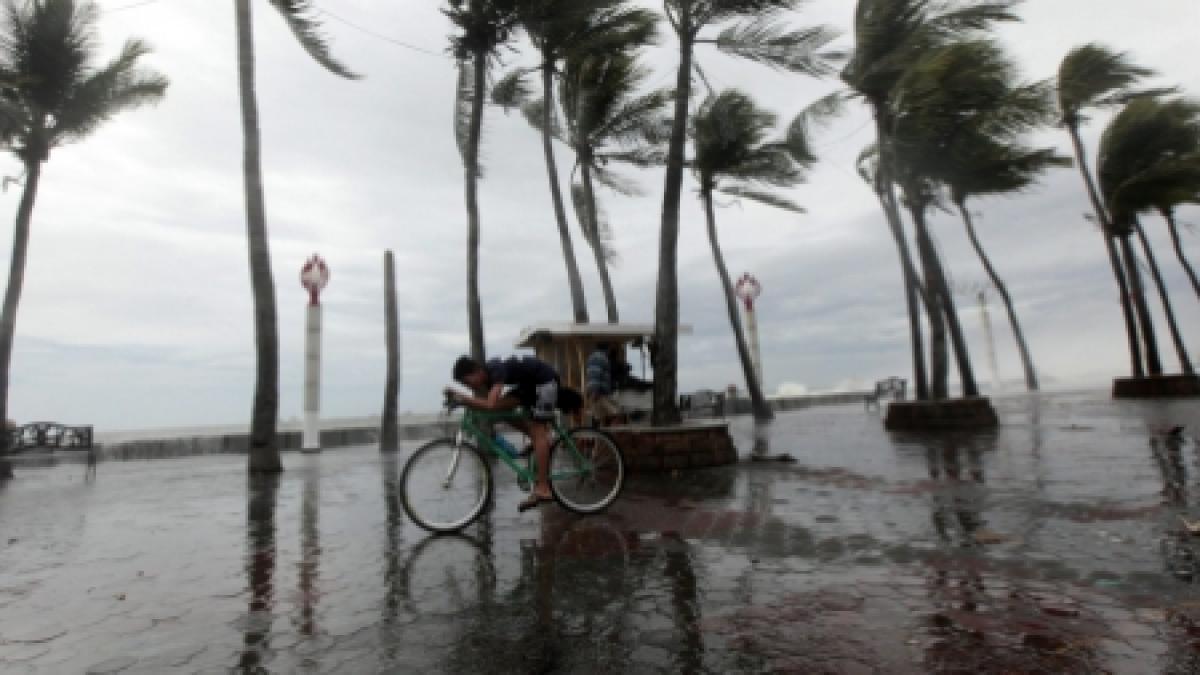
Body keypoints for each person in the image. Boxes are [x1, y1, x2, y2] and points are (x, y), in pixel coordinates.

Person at [446, 354, 559, 512]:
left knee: (538, 432)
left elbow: (490, 404)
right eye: (464, 385)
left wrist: (462, 399)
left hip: (544, 382)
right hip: (529, 386)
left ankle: (544, 488)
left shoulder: (494, 369)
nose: (468, 387)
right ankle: (538, 440)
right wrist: (460, 400)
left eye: (467, 382)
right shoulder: (487, 379)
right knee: (501, 411)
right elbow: (489, 406)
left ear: (477, 371)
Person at [585, 343, 621, 426]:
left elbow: (593, 374)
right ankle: (601, 436)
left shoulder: (594, 357)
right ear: (607, 348)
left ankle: (599, 436)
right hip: (600, 392)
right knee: (614, 413)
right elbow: (596, 374)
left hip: (597, 391)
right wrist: (595, 391)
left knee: (599, 416)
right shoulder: (600, 358)